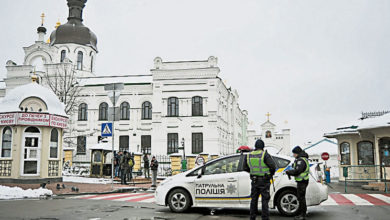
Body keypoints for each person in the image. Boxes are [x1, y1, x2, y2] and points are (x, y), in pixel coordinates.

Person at [243, 139, 276, 220]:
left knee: (254, 200)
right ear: (263, 147)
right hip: (264, 180)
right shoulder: (264, 154)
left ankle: (252, 217)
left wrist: (253, 173)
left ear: (255, 146)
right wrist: (269, 175)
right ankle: (265, 218)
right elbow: (273, 167)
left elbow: (244, 167)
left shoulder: (248, 155)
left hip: (254, 180)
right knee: (264, 200)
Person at [286, 146, 310, 220]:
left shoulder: (301, 160)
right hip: (303, 181)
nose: (293, 155)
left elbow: (297, 171)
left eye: (294, 153)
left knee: (301, 198)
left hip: (302, 181)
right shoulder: (302, 159)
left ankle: (302, 215)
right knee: (301, 198)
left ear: (297, 153)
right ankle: (303, 213)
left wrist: (289, 172)